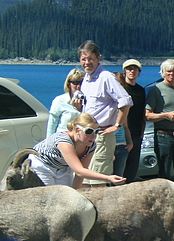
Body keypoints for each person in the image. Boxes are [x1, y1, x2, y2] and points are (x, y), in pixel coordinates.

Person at [75, 41, 133, 186]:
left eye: (90, 59)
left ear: (98, 58)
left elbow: (126, 101)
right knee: (83, 180)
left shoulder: (106, 77)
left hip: (102, 136)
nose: (87, 62)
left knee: (98, 181)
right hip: (86, 137)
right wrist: (78, 107)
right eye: (83, 59)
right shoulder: (86, 80)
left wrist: (117, 125)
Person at [30, 113, 126, 189]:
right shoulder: (63, 140)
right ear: (77, 130)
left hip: (62, 168)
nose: (93, 136)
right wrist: (108, 178)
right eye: (89, 132)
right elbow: (79, 171)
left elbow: (81, 172)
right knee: (50, 196)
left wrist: (74, 192)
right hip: (42, 166)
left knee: (66, 197)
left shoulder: (91, 145)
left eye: (96, 132)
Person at [145, 58, 174, 191]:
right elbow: (147, 115)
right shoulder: (156, 90)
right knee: (165, 173)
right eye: (169, 71)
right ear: (163, 73)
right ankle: (165, 201)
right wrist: (166, 115)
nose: (172, 74)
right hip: (163, 136)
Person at [118, 58, 147, 183]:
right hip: (121, 134)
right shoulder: (120, 88)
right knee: (120, 169)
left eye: (134, 69)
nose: (132, 71)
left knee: (132, 170)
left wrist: (142, 133)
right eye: (129, 69)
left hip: (136, 134)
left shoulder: (141, 90)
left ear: (139, 72)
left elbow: (142, 113)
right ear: (124, 71)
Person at [47, 68, 84, 136]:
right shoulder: (60, 100)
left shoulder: (88, 101)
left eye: (81, 82)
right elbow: (52, 125)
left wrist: (81, 110)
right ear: (69, 84)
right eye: (75, 83)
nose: (79, 86)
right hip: (62, 139)